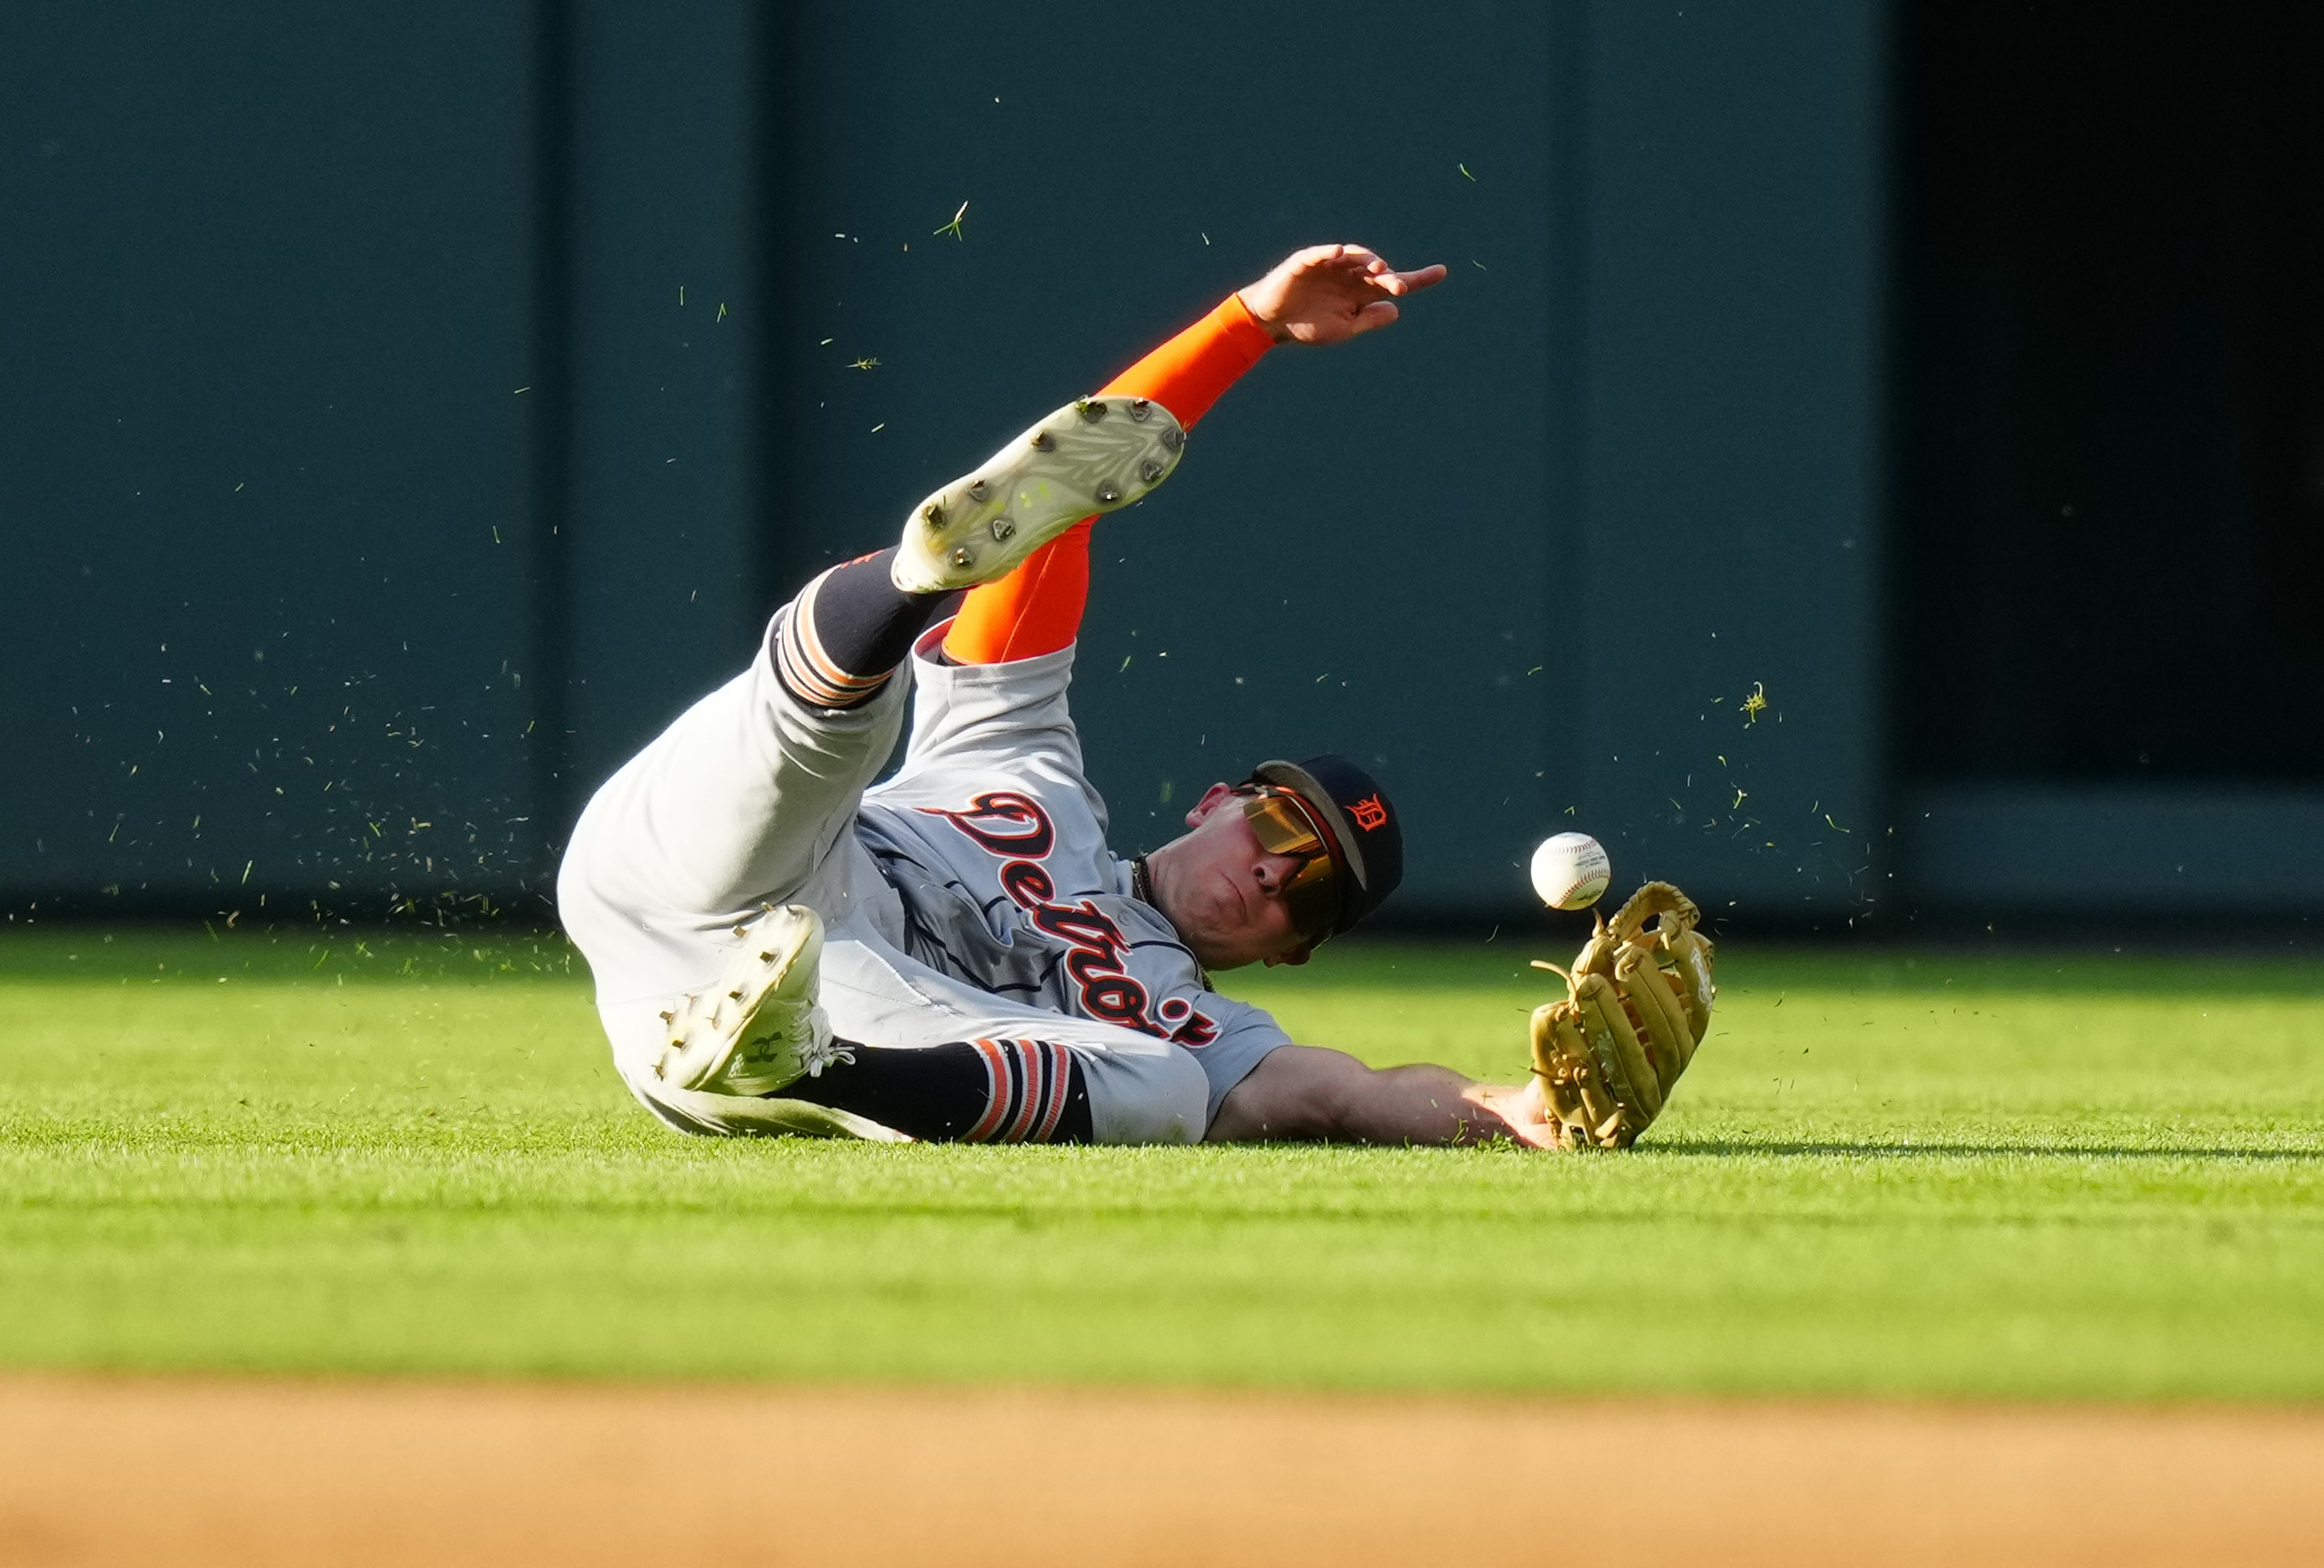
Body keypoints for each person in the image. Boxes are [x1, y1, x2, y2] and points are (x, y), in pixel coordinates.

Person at [557, 243, 1563, 1149]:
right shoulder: (1029, 766)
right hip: (708, 863)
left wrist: (1517, 1113)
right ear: (1215, 800)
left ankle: (803, 1065)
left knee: (1167, 1091)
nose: (1270, 874)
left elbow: (1351, 1094)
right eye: (1278, 829)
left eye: (1306, 889)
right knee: (859, 718)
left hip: (823, 1006)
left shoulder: (1202, 1023)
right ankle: (913, 582)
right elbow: (1075, 487)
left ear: (1292, 953)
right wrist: (1244, 326)